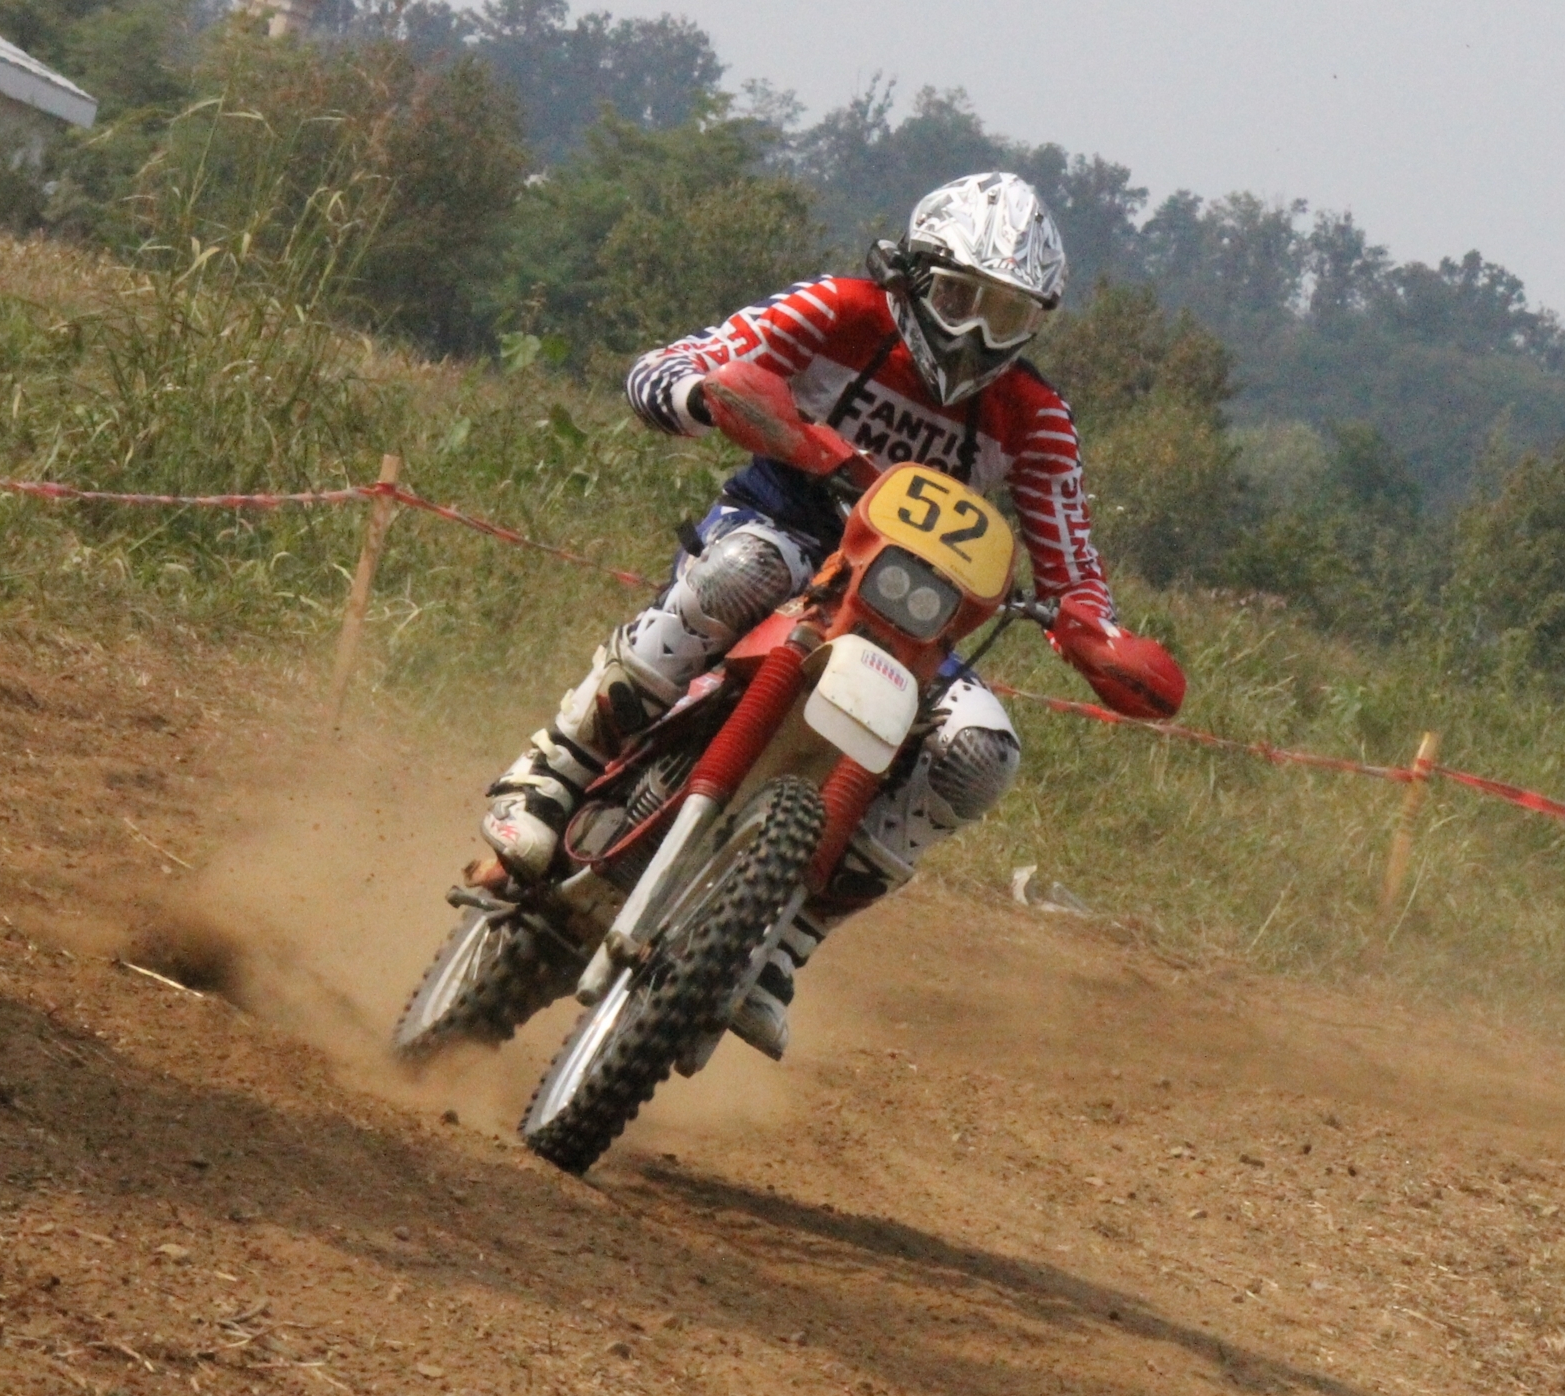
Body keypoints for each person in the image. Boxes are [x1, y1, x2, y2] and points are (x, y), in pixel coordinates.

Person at [478, 172, 1184, 1061]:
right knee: (742, 571)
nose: (975, 333)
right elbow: (675, 364)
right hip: (787, 532)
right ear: (915, 277)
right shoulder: (839, 310)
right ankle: (555, 770)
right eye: (959, 299)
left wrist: (1093, 637)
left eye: (1006, 315)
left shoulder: (1035, 416)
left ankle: (786, 940)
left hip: (910, 610)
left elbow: (1077, 569)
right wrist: (705, 397)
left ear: (1036, 324)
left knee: (982, 750)